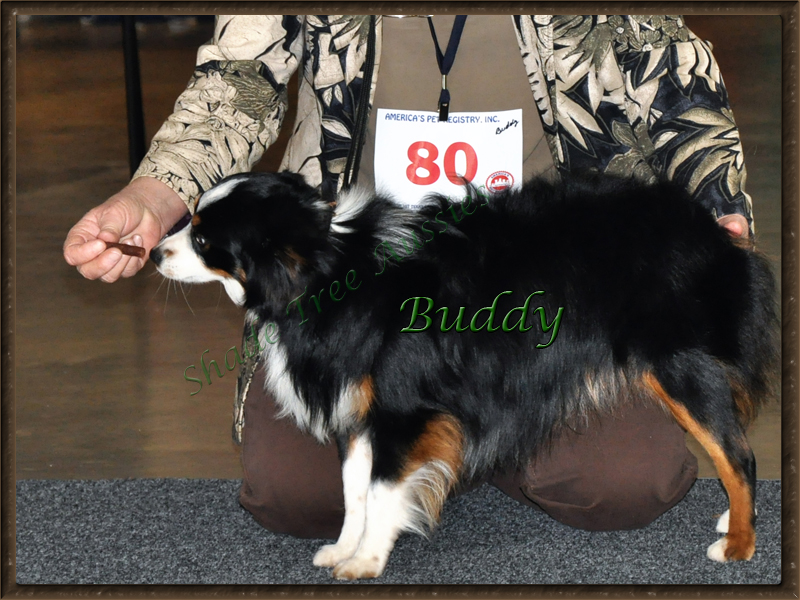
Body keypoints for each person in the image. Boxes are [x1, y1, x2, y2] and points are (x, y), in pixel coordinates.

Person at [64, 15, 753, 539]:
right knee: (295, 498)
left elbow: (672, 71)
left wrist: (718, 201)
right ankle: (459, 440)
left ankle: (459, 440)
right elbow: (238, 83)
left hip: (548, 275)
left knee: (623, 486)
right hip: (353, 282)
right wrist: (152, 201)